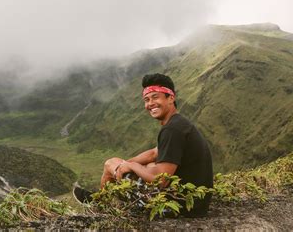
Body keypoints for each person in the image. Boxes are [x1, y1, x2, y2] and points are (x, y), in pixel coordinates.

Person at [74, 73, 213, 217]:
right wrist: (126, 164)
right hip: (195, 204)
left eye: (155, 97)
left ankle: (100, 205)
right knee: (148, 165)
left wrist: (131, 166)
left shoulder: (172, 130)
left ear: (171, 98)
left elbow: (162, 180)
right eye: (146, 100)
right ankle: (103, 201)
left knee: (110, 163)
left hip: (178, 208)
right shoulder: (180, 123)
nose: (150, 104)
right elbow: (154, 153)